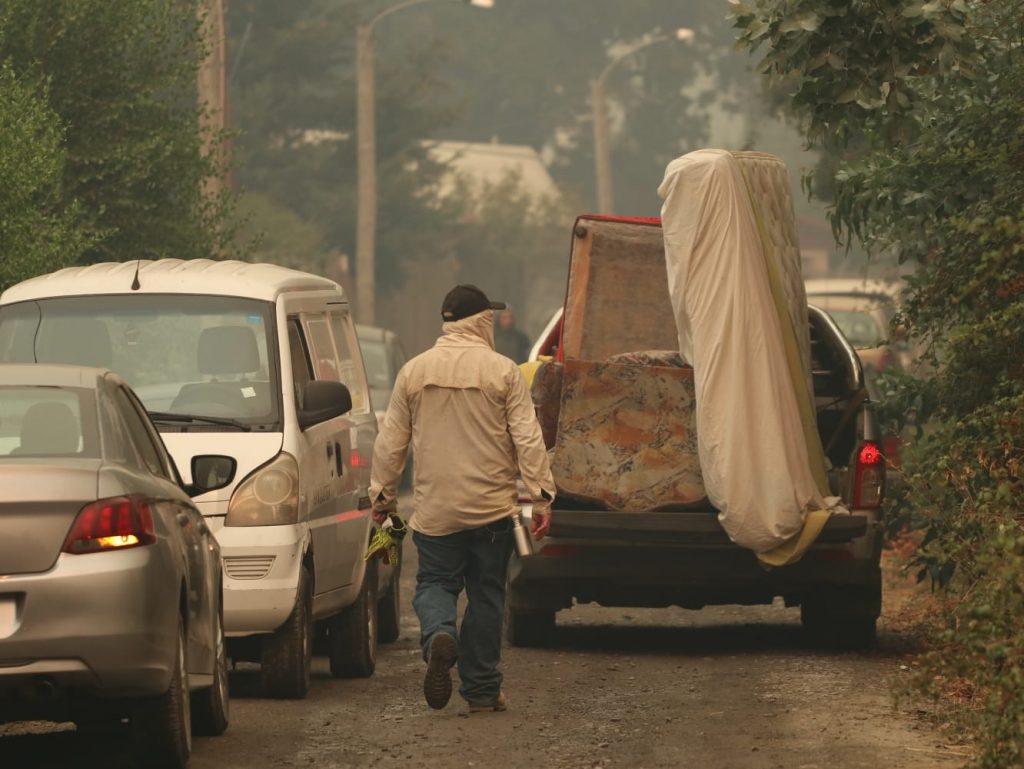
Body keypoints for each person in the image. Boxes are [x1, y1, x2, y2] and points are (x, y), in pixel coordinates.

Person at [369, 284, 555, 713]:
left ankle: (438, 635)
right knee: (487, 595)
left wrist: (383, 500)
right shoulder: (504, 371)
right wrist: (542, 497)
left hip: (436, 512)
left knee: (435, 583)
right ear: (482, 321)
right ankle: (483, 691)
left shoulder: (414, 372)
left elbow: (391, 443)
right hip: (492, 512)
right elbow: (527, 438)